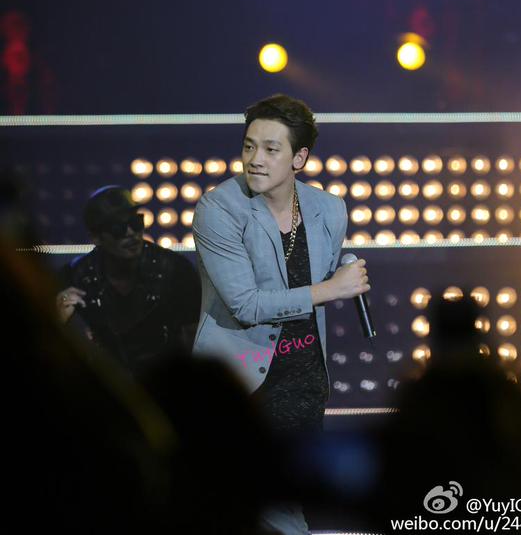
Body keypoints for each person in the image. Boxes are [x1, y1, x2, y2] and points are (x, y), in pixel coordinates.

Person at [192, 93, 370, 535]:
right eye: (249, 146)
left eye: (271, 149)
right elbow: (246, 305)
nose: (255, 159)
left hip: (305, 379)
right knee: (265, 509)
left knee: (287, 500)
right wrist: (332, 289)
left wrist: (337, 278)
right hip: (243, 381)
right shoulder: (219, 210)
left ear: (299, 158)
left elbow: (320, 282)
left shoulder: (329, 209)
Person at [57, 185, 202, 377]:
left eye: (136, 222)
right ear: (96, 237)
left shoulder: (174, 269)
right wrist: (58, 317)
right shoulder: (76, 277)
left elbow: (197, 339)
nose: (130, 233)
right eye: (117, 228)